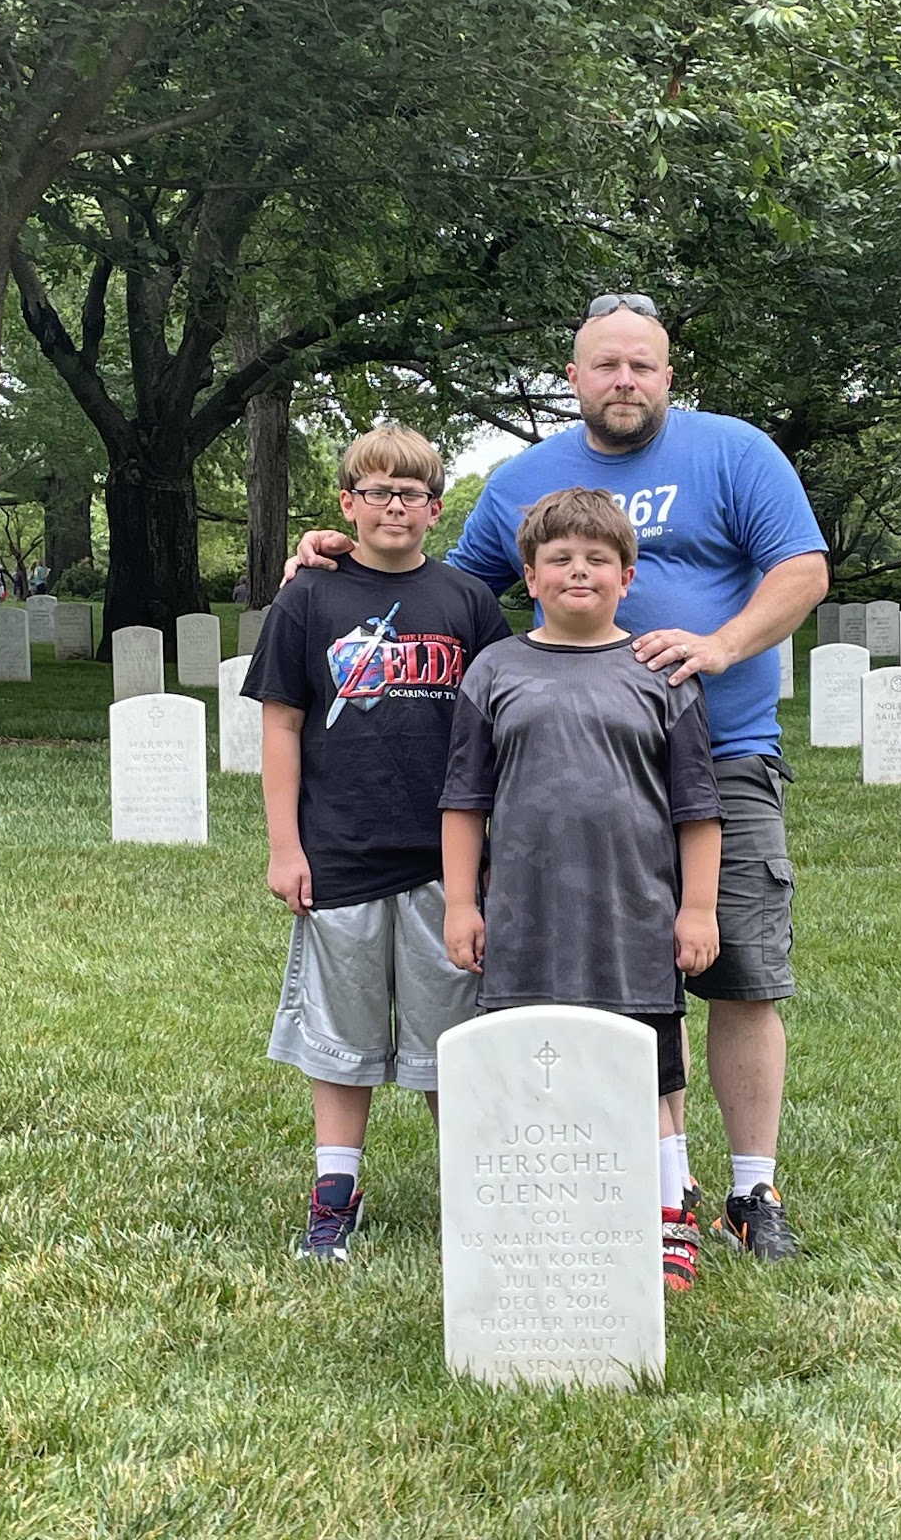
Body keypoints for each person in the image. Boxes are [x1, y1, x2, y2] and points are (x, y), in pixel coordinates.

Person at [289, 294, 829, 1260]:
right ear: (573, 378)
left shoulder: (736, 453)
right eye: (606, 365)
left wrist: (718, 646)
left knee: (739, 969)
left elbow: (803, 571)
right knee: (596, 975)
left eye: (643, 365)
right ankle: (631, 1176)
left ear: (668, 375)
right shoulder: (524, 480)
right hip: (562, 784)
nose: (625, 381)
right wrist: (348, 558)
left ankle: (754, 1190)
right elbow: (445, 591)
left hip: (720, 752)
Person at [241, 423, 511, 1264]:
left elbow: (501, 724)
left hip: (445, 862)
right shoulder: (308, 600)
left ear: (436, 508)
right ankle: (335, 1192)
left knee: (452, 1037)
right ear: (347, 504)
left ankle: (472, 1189)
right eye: (377, 492)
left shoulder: (467, 601)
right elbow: (282, 726)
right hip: (340, 852)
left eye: (411, 493)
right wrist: (285, 847)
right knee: (342, 1037)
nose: (394, 506)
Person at [440, 488, 722, 1293]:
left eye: (598, 559)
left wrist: (697, 909)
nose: (578, 572)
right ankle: (545, 1211)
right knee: (529, 1064)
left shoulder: (661, 674)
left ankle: (669, 1215)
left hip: (634, 913)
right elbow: (464, 801)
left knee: (652, 1073)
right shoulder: (494, 671)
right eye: (559, 559)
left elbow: (699, 807)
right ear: (529, 577)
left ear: (626, 577)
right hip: (523, 916)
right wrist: (461, 904)